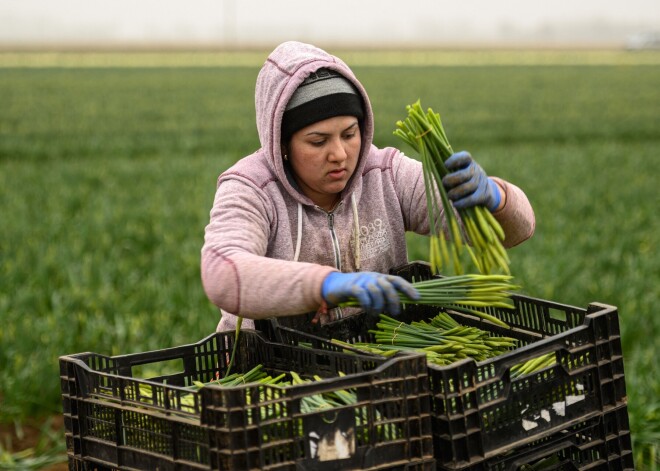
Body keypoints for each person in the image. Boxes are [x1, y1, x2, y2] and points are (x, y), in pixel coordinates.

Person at [201, 41, 535, 332]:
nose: (339, 154)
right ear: (282, 143)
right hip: (264, 370)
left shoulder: (385, 174)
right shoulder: (251, 187)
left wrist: (497, 199)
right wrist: (327, 285)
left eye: (349, 134)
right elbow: (223, 273)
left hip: (367, 359)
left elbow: (514, 233)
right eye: (318, 142)